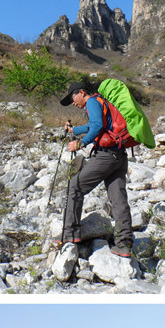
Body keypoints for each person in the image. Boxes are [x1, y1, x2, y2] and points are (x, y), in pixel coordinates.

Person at [56, 82, 133, 258]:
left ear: (81, 92)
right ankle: (124, 244)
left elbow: (97, 126)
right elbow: (95, 126)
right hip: (119, 155)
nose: (73, 102)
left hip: (105, 155)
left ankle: (70, 234)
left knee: (75, 186)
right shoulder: (100, 102)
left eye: (72, 98)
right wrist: (74, 130)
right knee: (118, 199)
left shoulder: (91, 101)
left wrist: (81, 143)